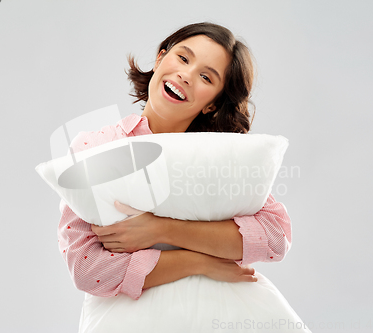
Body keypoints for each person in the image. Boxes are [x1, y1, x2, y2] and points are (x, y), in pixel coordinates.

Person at [58, 22, 310, 332]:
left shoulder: (221, 157)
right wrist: (200, 262)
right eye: (183, 58)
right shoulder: (95, 148)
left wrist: (160, 229)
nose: (186, 76)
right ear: (161, 58)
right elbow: (87, 269)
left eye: (206, 77)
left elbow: (275, 237)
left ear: (213, 103)